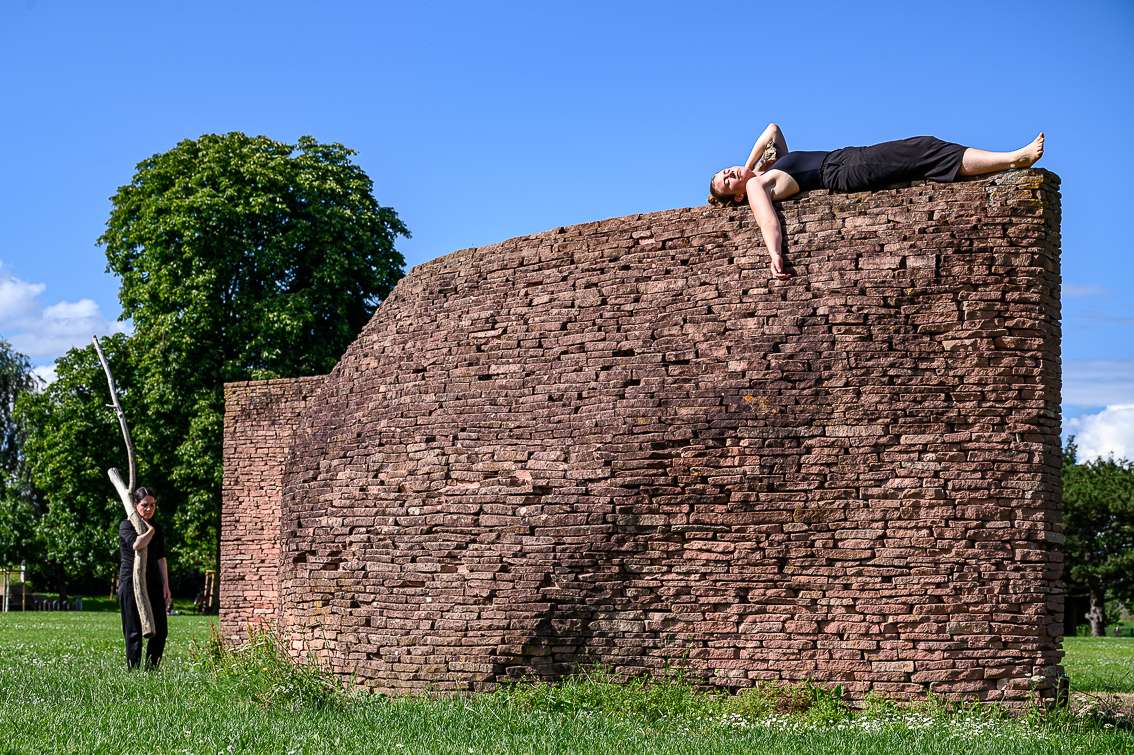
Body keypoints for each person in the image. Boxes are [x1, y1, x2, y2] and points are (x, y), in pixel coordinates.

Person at [709, 124, 1045, 279]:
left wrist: (748, 166)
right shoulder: (758, 189)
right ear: (737, 195)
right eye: (727, 182)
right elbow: (768, 221)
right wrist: (775, 256)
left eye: (725, 171)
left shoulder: (765, 170)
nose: (729, 173)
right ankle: (1013, 159)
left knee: (923, 147)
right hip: (842, 172)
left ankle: (1009, 159)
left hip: (846, 157)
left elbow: (772, 130)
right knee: (922, 149)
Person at [118, 486, 171, 670]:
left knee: (161, 631)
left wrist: (166, 585)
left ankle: (151, 670)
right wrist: (149, 532)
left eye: (153, 505)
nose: (149, 509)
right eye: (145, 505)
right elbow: (137, 544)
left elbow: (161, 558)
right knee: (133, 632)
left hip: (153, 583)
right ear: (135, 505)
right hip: (130, 583)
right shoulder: (126, 525)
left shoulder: (157, 527)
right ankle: (133, 671)